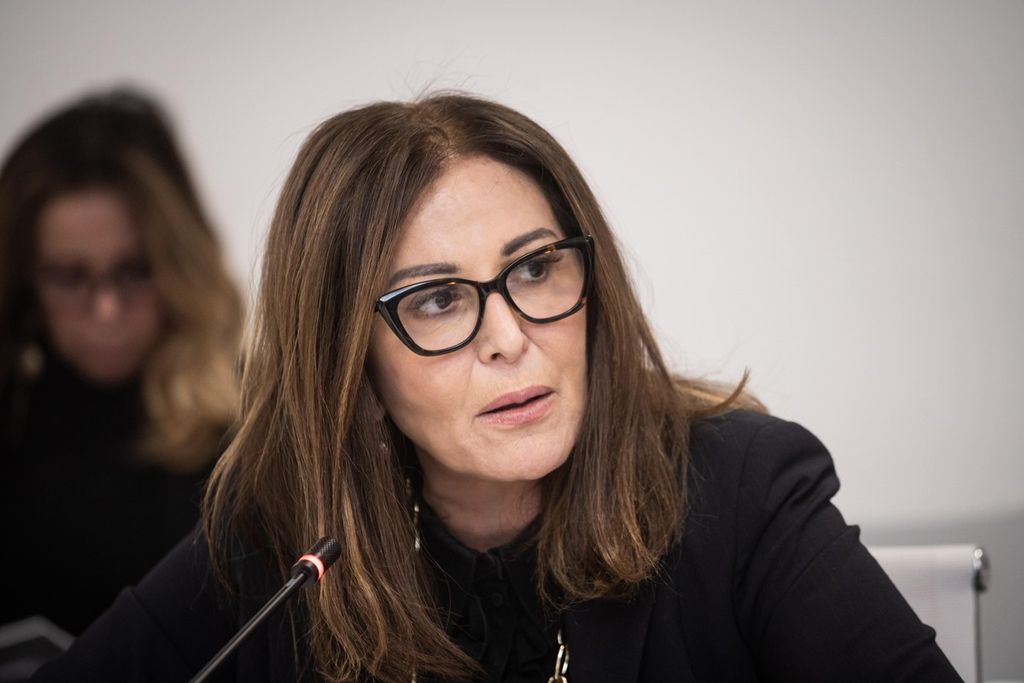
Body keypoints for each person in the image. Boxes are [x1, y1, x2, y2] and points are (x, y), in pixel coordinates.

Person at [31, 93, 961, 682]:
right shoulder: (278, 539)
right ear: (352, 364)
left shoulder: (744, 490)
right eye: (438, 299)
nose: (511, 338)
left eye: (535, 268)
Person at [0, 89, 244, 637]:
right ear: (24, 279)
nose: (107, 309)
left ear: (179, 266)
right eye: (70, 276)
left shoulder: (250, 423)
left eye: (134, 270)